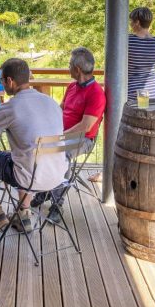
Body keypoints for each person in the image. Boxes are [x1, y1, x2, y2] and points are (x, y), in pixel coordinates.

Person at [0, 58, 68, 240]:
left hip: (30, 177)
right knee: (20, 156)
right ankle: (23, 215)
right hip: (58, 175)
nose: (1, 84)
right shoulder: (50, 101)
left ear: (10, 81)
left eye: (1, 80)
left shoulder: (11, 107)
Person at [32, 47, 106, 222]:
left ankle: (57, 204)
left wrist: (59, 137)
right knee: (37, 147)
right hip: (64, 134)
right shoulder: (72, 86)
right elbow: (61, 110)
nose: (68, 68)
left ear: (77, 69)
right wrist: (47, 125)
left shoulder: (96, 93)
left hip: (83, 139)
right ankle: (44, 191)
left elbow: (86, 127)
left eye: (69, 65)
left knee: (60, 155)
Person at [127, 6, 155, 101]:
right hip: (154, 93)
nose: (130, 24)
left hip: (133, 93)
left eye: (131, 21)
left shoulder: (128, 40)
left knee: (133, 116)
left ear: (137, 22)